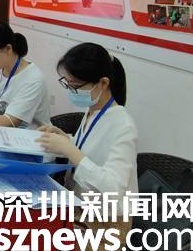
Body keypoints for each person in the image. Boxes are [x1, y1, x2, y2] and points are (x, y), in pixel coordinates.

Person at [36, 43, 137, 247]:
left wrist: (69, 149)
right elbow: (92, 148)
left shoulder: (123, 125)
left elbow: (112, 189)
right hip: (79, 206)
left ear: (103, 83)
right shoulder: (94, 110)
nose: (71, 90)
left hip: (106, 223)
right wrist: (65, 139)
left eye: (75, 85)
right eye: (67, 83)